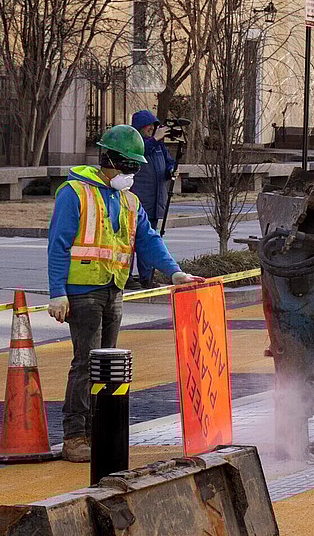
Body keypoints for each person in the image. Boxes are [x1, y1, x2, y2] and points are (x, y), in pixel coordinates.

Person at [46, 125, 200, 462]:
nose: (132, 174)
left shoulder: (129, 200)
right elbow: (58, 244)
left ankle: (97, 431)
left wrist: (173, 271)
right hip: (82, 291)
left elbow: (148, 240)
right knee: (85, 363)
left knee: (106, 366)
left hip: (113, 289)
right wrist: (57, 291)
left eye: (136, 168)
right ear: (110, 160)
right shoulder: (74, 193)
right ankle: (75, 436)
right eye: (129, 166)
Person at [130, 109, 176, 286]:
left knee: (149, 241)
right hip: (140, 199)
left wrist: (171, 169)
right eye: (149, 127)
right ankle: (126, 277)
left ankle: (146, 277)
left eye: (153, 127)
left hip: (156, 200)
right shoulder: (137, 144)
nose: (152, 130)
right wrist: (154, 139)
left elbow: (168, 161)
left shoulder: (159, 146)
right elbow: (141, 153)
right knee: (131, 242)